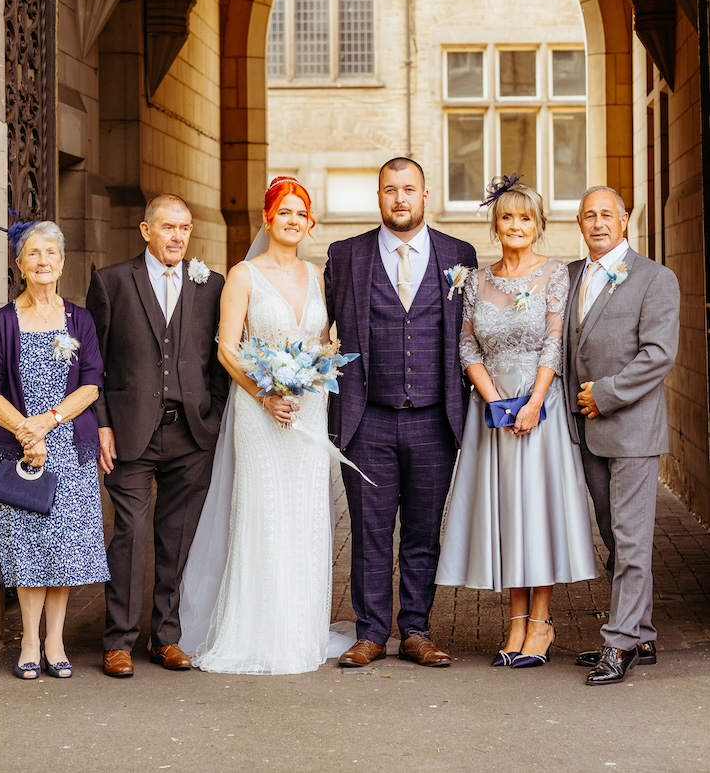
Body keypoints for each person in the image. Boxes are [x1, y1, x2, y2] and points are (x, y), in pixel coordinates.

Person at [436, 178, 597, 667]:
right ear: (495, 224)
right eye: (507, 217)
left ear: (538, 225)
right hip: (493, 415)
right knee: (507, 512)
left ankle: (541, 623)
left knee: (537, 511)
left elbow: (554, 342)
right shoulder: (476, 281)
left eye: (525, 218)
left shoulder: (554, 274)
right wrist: (495, 402)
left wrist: (533, 402)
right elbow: (467, 345)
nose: (515, 225)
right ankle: (516, 622)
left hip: (540, 411)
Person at [179, 176, 336, 674]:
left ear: (309, 223)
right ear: (268, 218)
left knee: (305, 516)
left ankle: (300, 630)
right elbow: (227, 349)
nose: (292, 220)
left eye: (300, 213)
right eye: (283, 211)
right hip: (258, 409)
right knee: (264, 513)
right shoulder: (244, 274)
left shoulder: (317, 275)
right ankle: (256, 633)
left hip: (308, 411)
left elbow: (323, 342)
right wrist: (266, 395)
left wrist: (313, 373)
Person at [324, 157, 476, 668]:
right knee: (369, 531)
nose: (400, 198)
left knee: (422, 531)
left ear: (425, 195)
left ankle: (415, 630)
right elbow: (318, 327)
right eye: (390, 190)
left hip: (435, 418)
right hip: (366, 417)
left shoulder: (459, 255)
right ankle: (370, 632)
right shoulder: (346, 255)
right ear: (379, 197)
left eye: (409, 189)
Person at [86, 194, 227, 678]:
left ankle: (165, 637)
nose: (177, 237)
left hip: (192, 433)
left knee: (177, 538)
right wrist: (102, 423)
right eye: (168, 227)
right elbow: (92, 364)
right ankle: (118, 642)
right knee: (129, 533)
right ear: (146, 230)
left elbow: (221, 359)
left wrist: (213, 415)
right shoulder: (111, 282)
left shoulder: (211, 285)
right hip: (129, 432)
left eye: (185, 228)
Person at [0, 220, 108, 679]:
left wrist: (47, 424)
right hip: (18, 454)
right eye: (33, 253)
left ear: (63, 263)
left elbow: (91, 384)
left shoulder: (80, 319)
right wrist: (27, 435)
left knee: (64, 548)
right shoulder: (3, 321)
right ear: (19, 265)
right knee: (29, 548)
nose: (43, 261)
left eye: (51, 252)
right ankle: (29, 641)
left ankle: (55, 640)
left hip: (69, 450)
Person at [564, 185, 680, 685]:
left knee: (631, 539)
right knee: (614, 536)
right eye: (588, 215)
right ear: (579, 223)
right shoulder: (570, 275)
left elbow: (659, 354)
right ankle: (642, 634)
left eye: (606, 215)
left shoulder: (655, 278)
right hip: (585, 429)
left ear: (624, 219)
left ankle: (618, 643)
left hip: (631, 428)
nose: (598, 223)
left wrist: (605, 394)